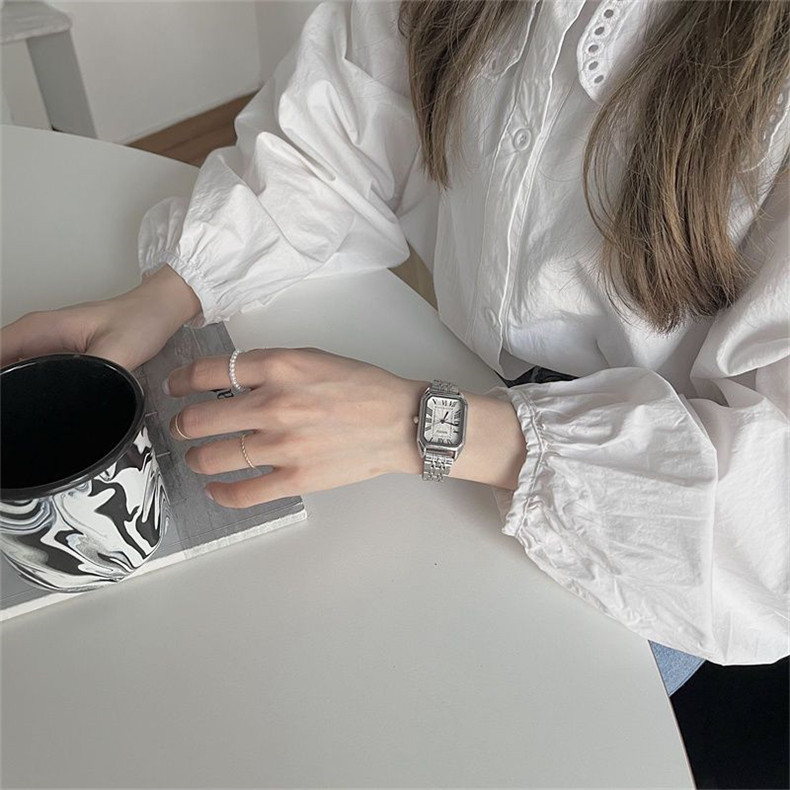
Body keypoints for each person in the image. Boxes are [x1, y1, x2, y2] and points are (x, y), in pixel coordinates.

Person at [2, 0, 788, 696]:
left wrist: (424, 425)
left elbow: (768, 518)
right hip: (459, 404)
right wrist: (170, 291)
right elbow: (342, 124)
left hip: (657, 543)